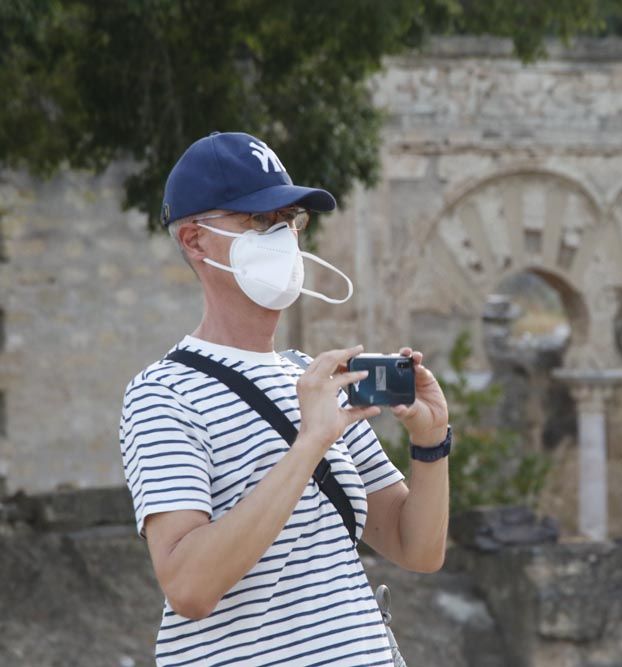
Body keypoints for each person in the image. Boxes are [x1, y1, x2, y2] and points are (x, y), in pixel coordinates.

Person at [119, 131, 450, 666]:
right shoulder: (163, 394)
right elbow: (189, 587)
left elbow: (417, 548)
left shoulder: (310, 376)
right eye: (257, 221)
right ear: (194, 240)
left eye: (290, 219)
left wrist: (432, 443)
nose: (283, 237)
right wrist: (309, 443)